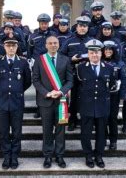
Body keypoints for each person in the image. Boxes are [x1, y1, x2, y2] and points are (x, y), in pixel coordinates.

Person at [32, 36, 73, 169]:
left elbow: (70, 81)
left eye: (55, 43)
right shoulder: (39, 60)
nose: (53, 45)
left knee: (61, 130)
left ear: (59, 44)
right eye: (50, 43)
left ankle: (60, 155)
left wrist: (61, 92)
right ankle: (48, 155)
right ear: (46, 45)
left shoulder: (66, 60)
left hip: (61, 101)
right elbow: (36, 80)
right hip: (45, 101)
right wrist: (47, 93)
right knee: (47, 130)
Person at [0, 37, 32, 170]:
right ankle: (6, 155)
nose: (11, 48)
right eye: (8, 46)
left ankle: (14, 156)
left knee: (16, 131)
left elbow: (27, 81)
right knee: (3, 131)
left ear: (16, 47)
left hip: (16, 101)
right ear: (4, 47)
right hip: (1, 102)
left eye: (13, 46)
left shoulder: (23, 62)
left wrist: (17, 90)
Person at [77, 39, 116, 168]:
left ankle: (99, 155)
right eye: (92, 53)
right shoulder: (81, 68)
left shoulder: (109, 68)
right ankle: (88, 155)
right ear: (88, 54)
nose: (95, 55)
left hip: (102, 105)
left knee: (101, 133)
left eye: (97, 52)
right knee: (86, 133)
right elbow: (78, 86)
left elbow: (111, 86)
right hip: (86, 105)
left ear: (101, 54)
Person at [59, 16, 92, 131]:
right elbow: (61, 57)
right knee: (73, 99)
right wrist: (71, 59)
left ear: (87, 28)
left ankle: (86, 120)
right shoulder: (69, 41)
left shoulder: (91, 41)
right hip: (73, 73)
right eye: (80, 26)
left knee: (87, 98)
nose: (82, 28)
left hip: (88, 74)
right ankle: (72, 120)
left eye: (85, 26)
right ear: (76, 27)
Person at [28, 13, 56, 118]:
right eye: (42, 23)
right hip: (38, 64)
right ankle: (39, 109)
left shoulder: (53, 35)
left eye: (46, 23)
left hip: (51, 63)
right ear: (39, 23)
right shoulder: (33, 36)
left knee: (51, 85)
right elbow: (29, 50)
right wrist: (30, 62)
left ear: (48, 23)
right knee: (38, 86)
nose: (44, 25)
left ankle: (51, 107)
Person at [102, 40, 126, 150]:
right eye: (106, 49)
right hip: (101, 95)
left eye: (110, 50)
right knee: (102, 118)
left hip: (114, 95)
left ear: (113, 51)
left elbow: (124, 80)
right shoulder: (99, 61)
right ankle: (103, 139)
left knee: (112, 118)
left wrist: (123, 95)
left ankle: (113, 141)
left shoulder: (120, 63)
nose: (108, 51)